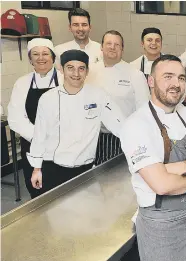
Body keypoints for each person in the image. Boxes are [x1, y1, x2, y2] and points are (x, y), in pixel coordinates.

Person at [119, 54, 186, 261]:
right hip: (160, 225)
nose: (176, 84)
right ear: (151, 81)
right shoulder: (136, 125)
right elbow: (162, 185)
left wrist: (175, 168)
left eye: (181, 78)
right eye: (168, 76)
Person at [27, 50, 124, 195]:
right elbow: (39, 135)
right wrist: (36, 168)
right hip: (53, 167)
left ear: (87, 71)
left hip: (86, 168)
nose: (76, 74)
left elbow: (120, 125)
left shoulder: (98, 95)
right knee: (57, 214)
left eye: (81, 68)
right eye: (70, 68)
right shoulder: (48, 98)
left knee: (86, 213)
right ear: (61, 69)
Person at [8, 38, 63, 199]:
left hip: (62, 145)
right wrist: (38, 137)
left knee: (64, 189)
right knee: (37, 190)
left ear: (53, 57)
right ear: (30, 59)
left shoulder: (65, 79)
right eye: (36, 54)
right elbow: (15, 117)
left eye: (45, 53)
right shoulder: (22, 83)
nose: (41, 58)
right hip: (32, 146)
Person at [87, 30, 150, 165]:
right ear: (101, 47)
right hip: (91, 137)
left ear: (122, 49)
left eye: (117, 45)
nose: (112, 47)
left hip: (120, 138)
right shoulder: (89, 72)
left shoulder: (135, 74)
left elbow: (144, 111)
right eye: (108, 43)